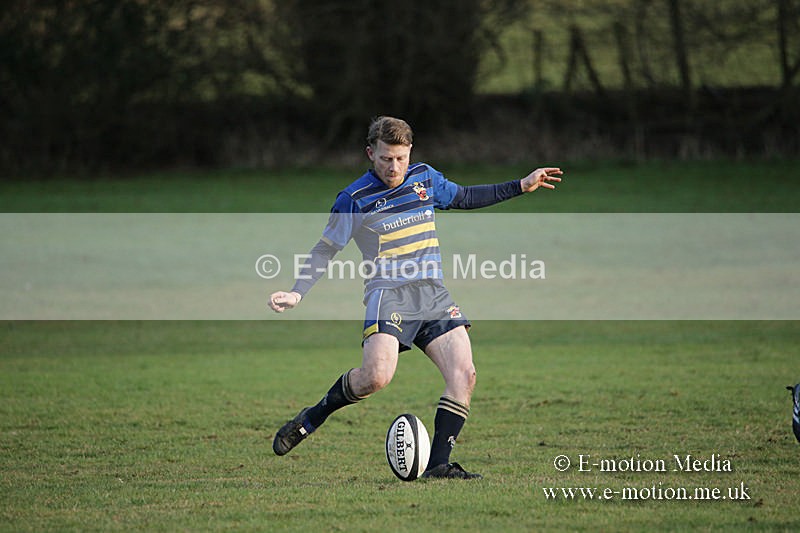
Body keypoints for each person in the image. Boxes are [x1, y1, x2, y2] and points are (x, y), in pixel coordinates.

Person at [268, 116, 563, 479]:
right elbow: (325, 249)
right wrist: (298, 292)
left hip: (433, 294)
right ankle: (312, 417)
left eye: (401, 159)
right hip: (389, 295)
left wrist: (521, 185)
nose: (395, 167)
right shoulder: (354, 199)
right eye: (386, 159)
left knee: (464, 374)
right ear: (370, 153)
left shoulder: (424, 177)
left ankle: (439, 464)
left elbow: (464, 197)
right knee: (374, 378)